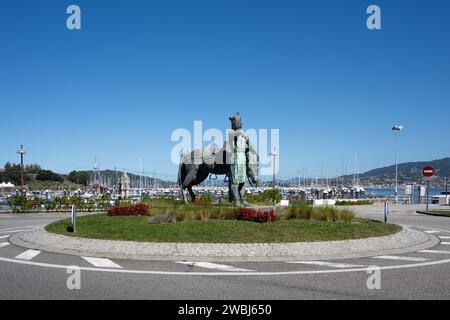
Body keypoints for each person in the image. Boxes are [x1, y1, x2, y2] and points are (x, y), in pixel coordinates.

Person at [228, 112, 250, 207]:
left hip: (242, 159)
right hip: (234, 159)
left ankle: (243, 199)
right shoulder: (231, 133)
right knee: (235, 181)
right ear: (233, 123)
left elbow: (248, 146)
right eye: (237, 121)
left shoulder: (244, 134)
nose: (239, 122)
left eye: (240, 120)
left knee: (242, 181)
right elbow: (234, 136)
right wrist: (242, 134)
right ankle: (236, 200)